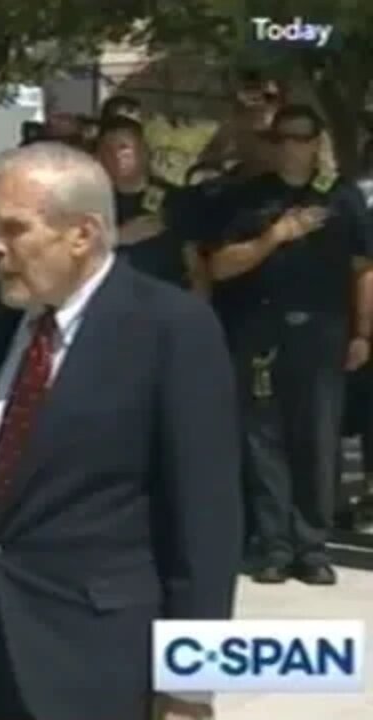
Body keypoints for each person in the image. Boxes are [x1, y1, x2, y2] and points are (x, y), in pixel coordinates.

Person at [0, 142, 242, 720]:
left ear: (81, 234)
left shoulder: (170, 329)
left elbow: (206, 522)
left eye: (15, 229)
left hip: (104, 658)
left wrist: (191, 685)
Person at [205, 104, 373, 586]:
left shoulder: (342, 199)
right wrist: (273, 237)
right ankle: (274, 546)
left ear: (317, 142)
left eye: (302, 138)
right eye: (283, 138)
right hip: (262, 331)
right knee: (264, 443)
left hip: (323, 333)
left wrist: (363, 333)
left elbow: (363, 268)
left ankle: (311, 547)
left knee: (318, 442)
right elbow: (220, 265)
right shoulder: (249, 199)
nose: (292, 147)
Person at [95, 116, 208, 292]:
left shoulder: (176, 199)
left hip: (164, 302)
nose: (116, 157)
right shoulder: (91, 201)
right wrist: (118, 237)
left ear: (144, 152)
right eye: (107, 150)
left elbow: (196, 267)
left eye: (124, 148)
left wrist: (198, 312)